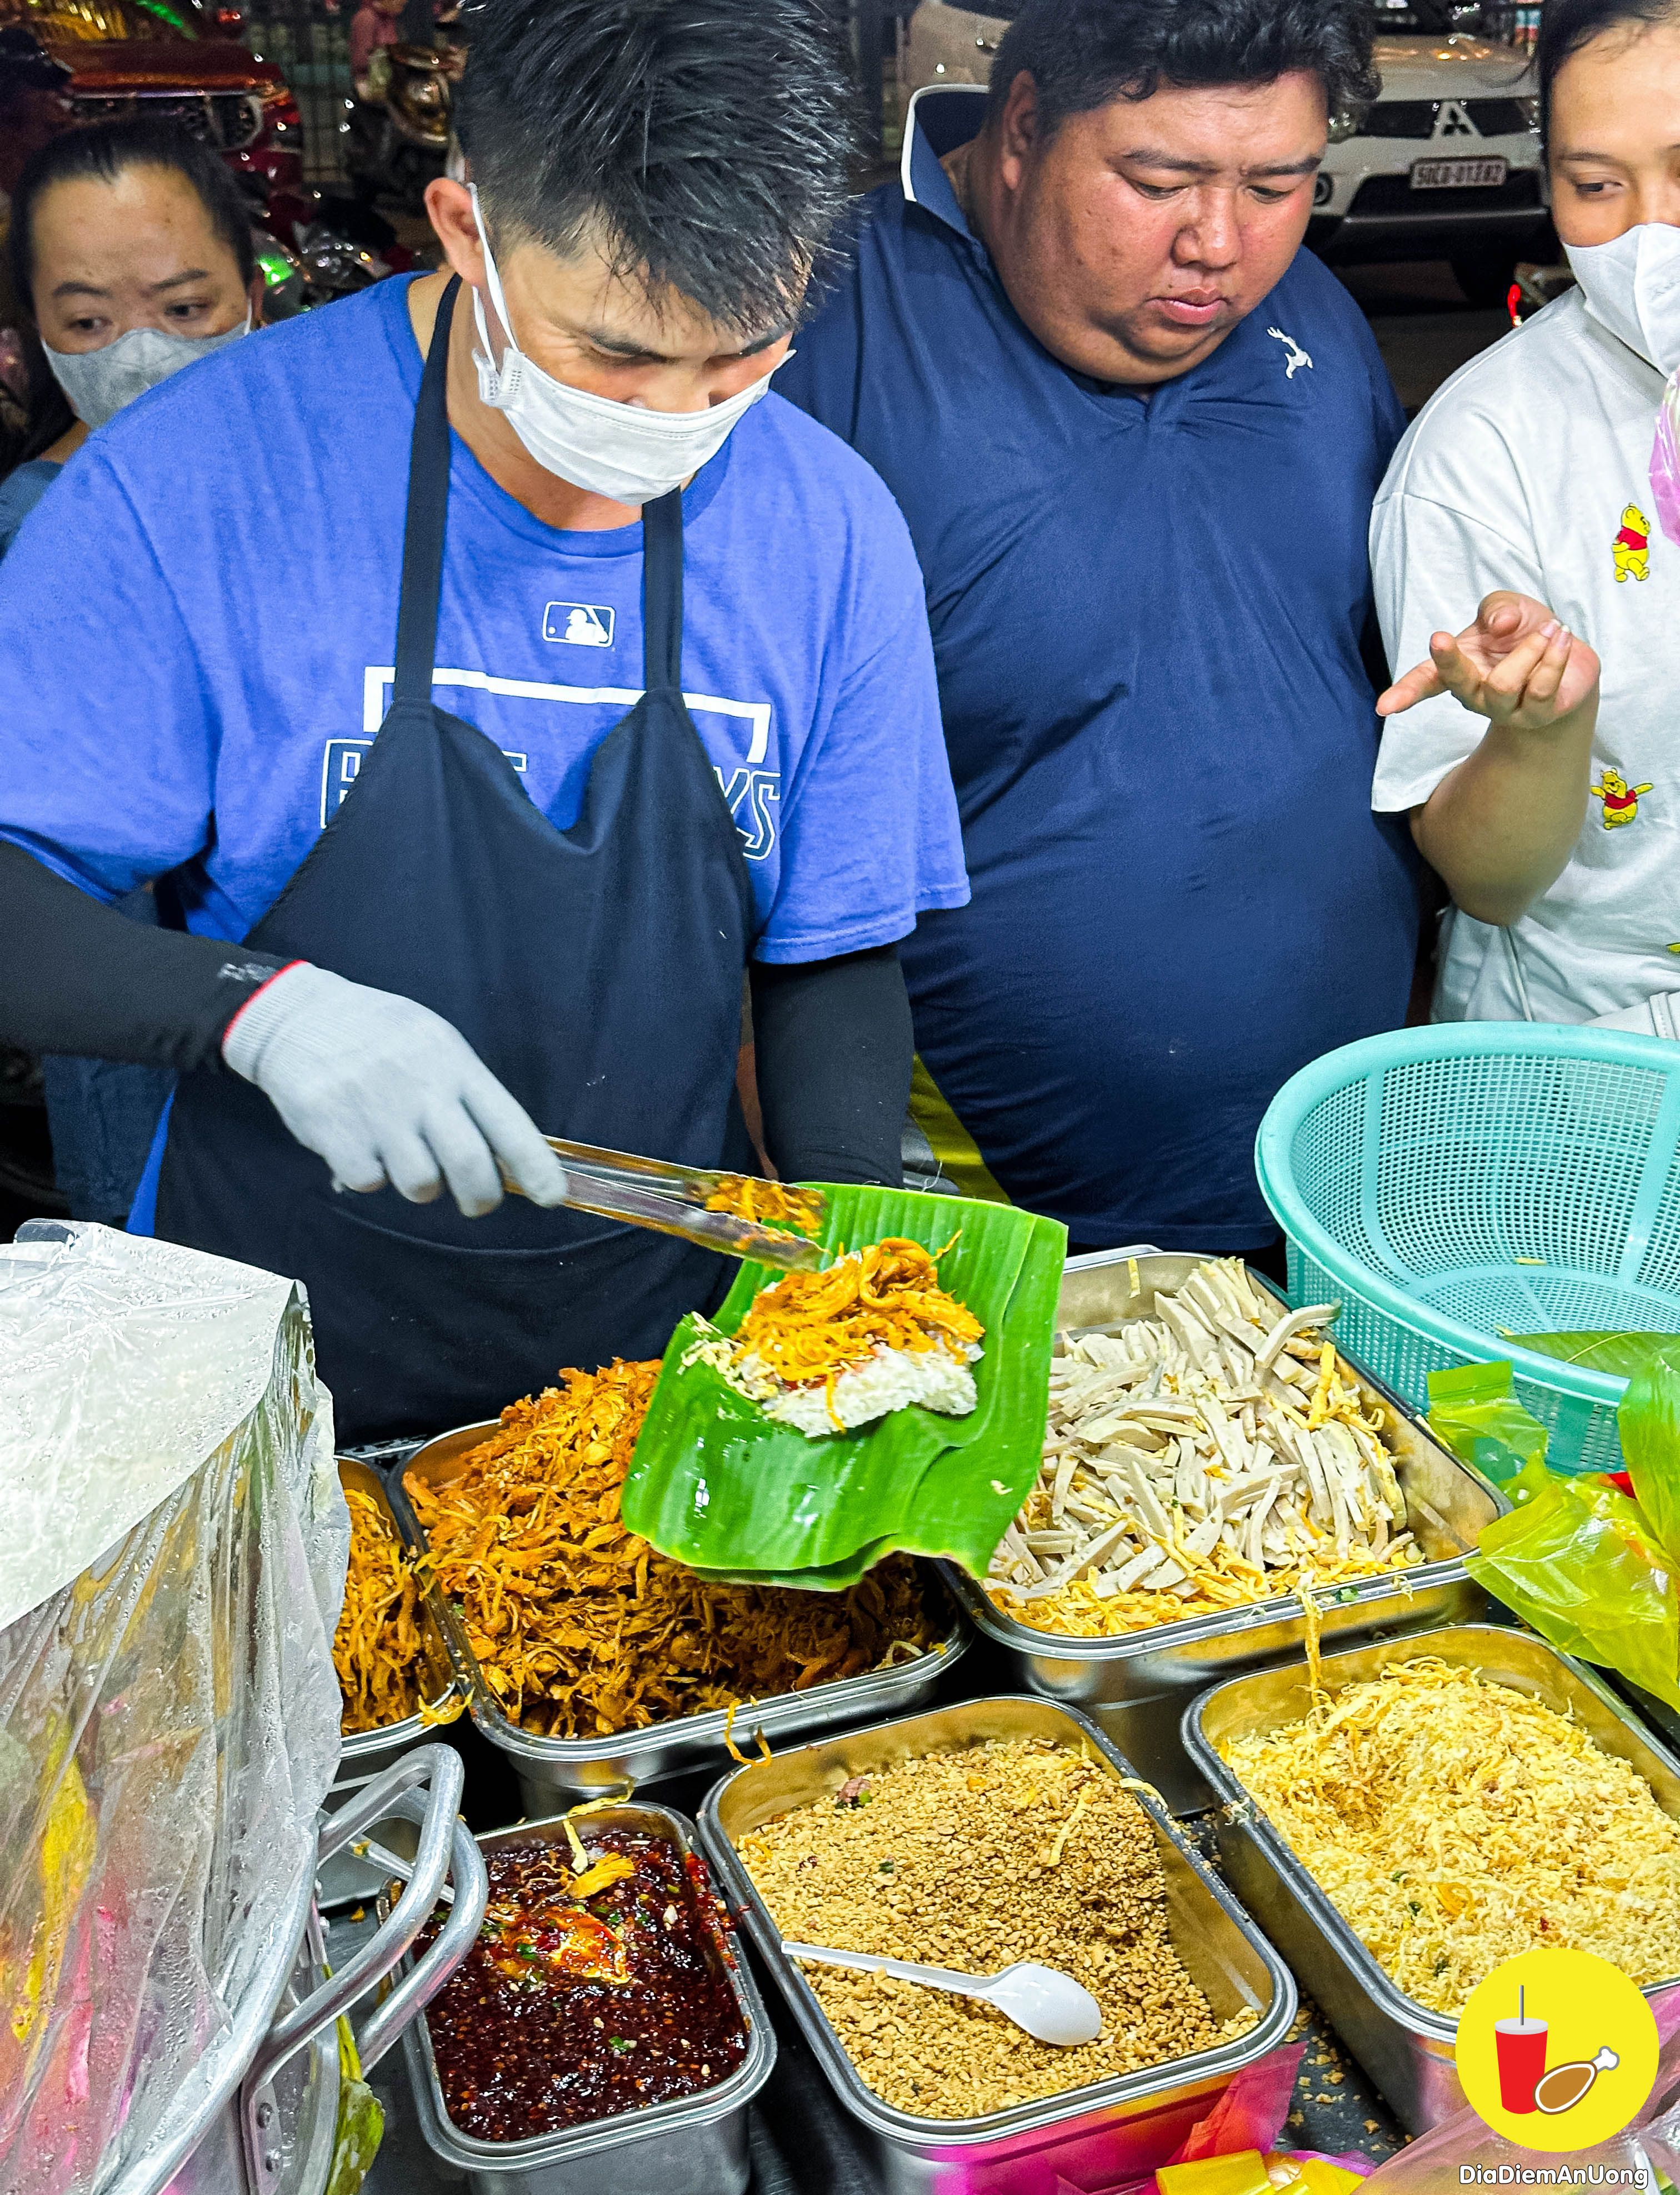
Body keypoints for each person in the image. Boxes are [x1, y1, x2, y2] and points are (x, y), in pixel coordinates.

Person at [0, 0, 967, 1442]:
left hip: (668, 1363)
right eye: (615, 357)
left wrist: (844, 1272)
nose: (674, 417)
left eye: (737, 360)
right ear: (467, 231)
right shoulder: (192, 483)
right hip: (271, 1359)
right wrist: (259, 1011)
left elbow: (831, 948)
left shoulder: (830, 530)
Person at [779, 0, 1419, 1262]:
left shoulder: (1318, 319)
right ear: (1021, 128)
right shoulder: (821, 329)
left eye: (1278, 186)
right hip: (975, 1217)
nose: (1219, 245)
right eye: (1159, 182)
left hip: (1336, 1182)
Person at [1371, 0, 1680, 1031]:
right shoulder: (1483, 451)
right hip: (1598, 1054)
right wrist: (1539, 735)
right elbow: (1490, 884)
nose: (1650, 231)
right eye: (1594, 185)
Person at [1, 118, 263, 1227]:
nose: (139, 352)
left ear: (256, 292)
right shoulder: (33, 529)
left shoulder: (334, 487)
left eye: (184, 307)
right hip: (138, 1021)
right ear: (35, 336)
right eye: (89, 322)